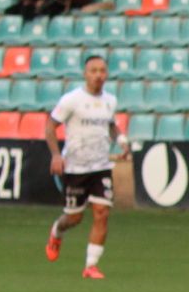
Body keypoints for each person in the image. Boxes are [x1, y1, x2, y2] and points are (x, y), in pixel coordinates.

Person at [43, 55, 127, 280]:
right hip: (75, 168)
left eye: (102, 70)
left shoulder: (110, 100)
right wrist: (55, 156)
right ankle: (57, 231)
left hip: (101, 166)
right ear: (85, 74)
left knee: (102, 213)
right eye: (94, 70)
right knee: (74, 218)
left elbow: (110, 125)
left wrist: (121, 141)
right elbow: (50, 126)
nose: (98, 75)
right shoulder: (72, 100)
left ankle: (90, 265)